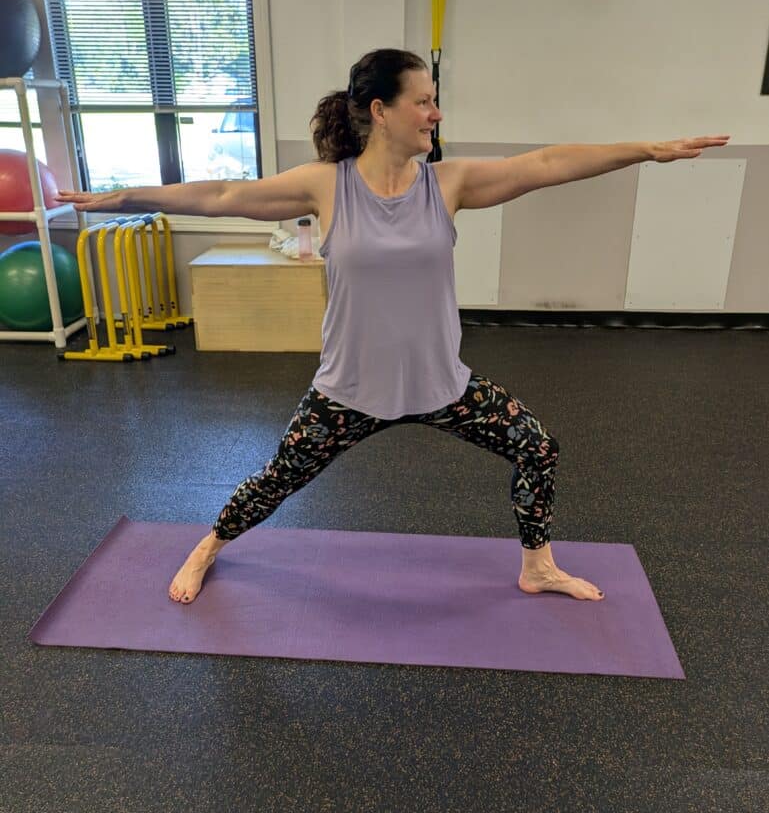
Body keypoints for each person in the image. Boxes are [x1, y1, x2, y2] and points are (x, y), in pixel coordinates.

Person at [56, 48, 729, 606]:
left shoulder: (447, 184)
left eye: (435, 101)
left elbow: (546, 164)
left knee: (537, 447)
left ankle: (538, 566)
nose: (436, 113)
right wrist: (119, 197)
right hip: (349, 390)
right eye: (423, 101)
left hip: (442, 385)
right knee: (277, 479)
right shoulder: (326, 185)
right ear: (380, 111)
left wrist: (646, 150)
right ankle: (208, 547)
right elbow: (221, 195)